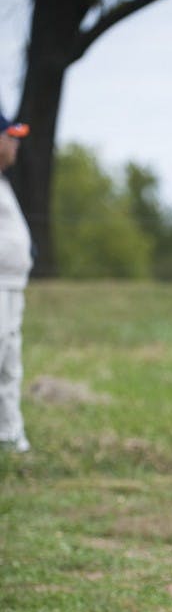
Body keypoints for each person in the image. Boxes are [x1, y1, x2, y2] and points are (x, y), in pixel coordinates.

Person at [0, 112, 33, 453]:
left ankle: (9, 435)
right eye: (10, 137)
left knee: (9, 364)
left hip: (12, 285)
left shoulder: (4, 183)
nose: (15, 144)